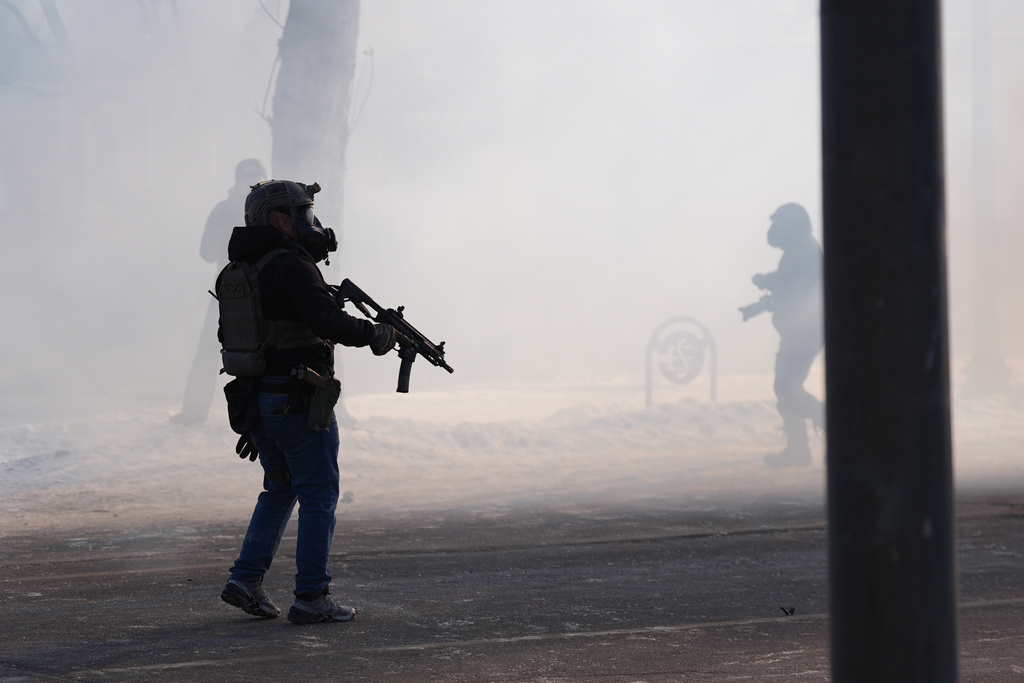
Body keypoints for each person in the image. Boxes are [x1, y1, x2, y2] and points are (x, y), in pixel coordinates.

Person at [218, 179, 397, 623]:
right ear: (281, 220)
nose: (312, 224)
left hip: (257, 400)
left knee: (279, 489)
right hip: (296, 400)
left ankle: (246, 579)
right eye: (305, 215)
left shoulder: (243, 268)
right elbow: (327, 321)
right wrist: (375, 334)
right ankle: (312, 597)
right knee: (319, 495)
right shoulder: (291, 265)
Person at [171, 159, 267, 425]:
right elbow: (206, 251)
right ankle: (193, 413)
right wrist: (231, 236)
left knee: (269, 349)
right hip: (230, 292)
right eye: (246, 180)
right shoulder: (223, 211)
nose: (249, 186)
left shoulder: (270, 211)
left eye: (256, 179)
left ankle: (266, 411)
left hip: (265, 292)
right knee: (209, 350)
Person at [747, 203, 824, 467]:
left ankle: (828, 428)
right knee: (787, 387)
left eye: (779, 225)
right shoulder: (802, 248)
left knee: (787, 387)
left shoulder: (802, 250)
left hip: (803, 334)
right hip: (801, 333)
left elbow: (787, 281)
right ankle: (798, 449)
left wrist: (764, 280)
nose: (774, 231)